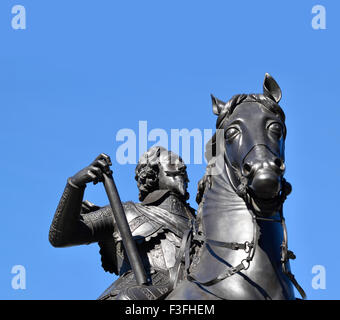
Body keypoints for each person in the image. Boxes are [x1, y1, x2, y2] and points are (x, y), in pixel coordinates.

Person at [49, 146, 196, 300]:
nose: (182, 167)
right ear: (153, 172)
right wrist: (75, 185)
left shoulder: (202, 223)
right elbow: (61, 236)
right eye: (173, 163)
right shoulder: (125, 212)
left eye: (182, 165)